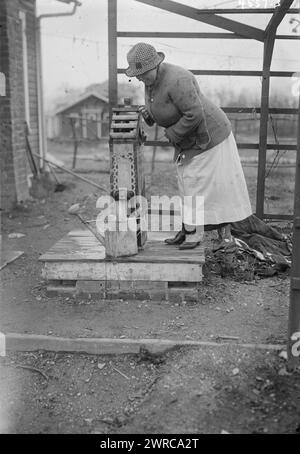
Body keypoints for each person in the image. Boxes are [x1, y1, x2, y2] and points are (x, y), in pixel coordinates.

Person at [125, 42, 252, 250]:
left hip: (210, 135)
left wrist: (173, 133)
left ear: (155, 65)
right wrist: (148, 114)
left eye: (143, 73)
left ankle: (196, 233)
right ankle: (188, 229)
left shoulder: (178, 79)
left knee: (197, 183)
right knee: (186, 183)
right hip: (188, 140)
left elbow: (195, 113)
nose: (139, 78)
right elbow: (162, 106)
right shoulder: (151, 81)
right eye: (137, 74)